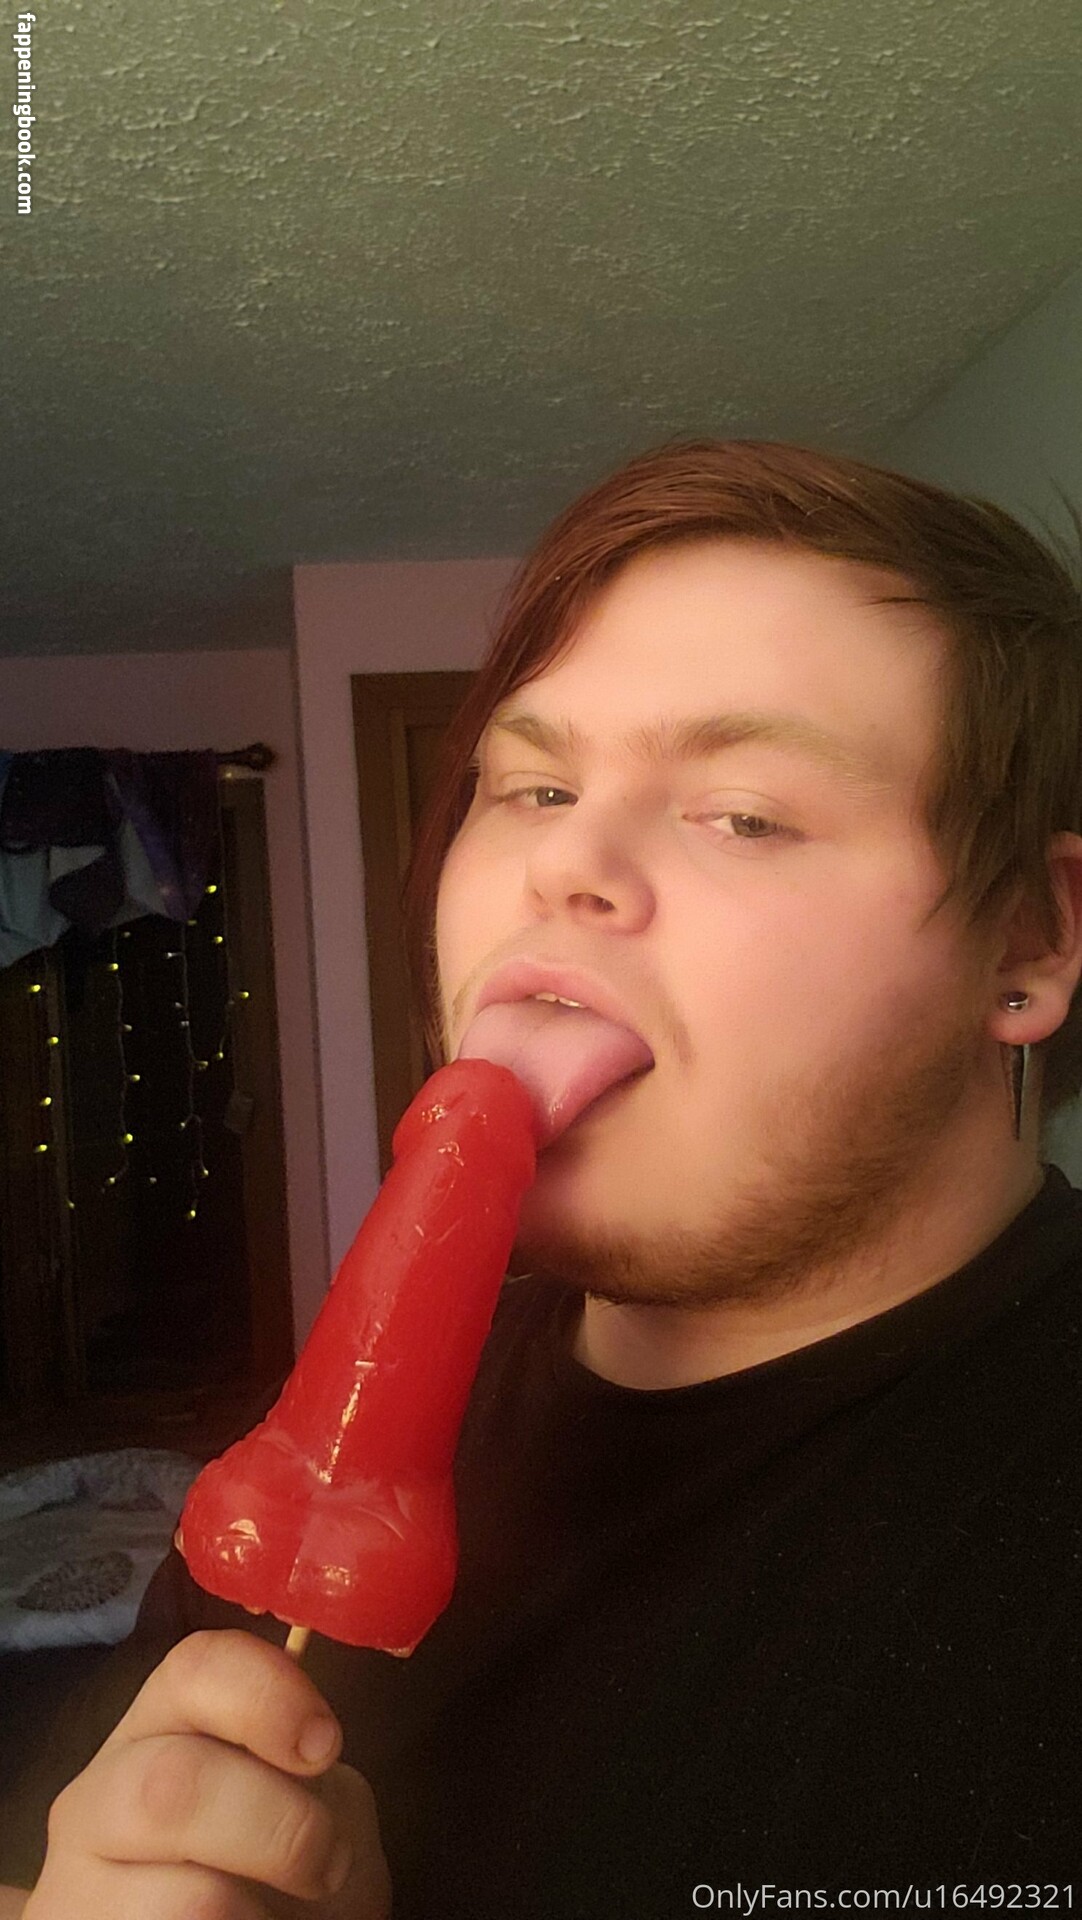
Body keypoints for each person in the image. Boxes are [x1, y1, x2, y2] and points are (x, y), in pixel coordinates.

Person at [4, 438, 1082, 1917]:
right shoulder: (372, 1411)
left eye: (744, 813)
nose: (564, 865)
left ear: (1028, 936)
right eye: (533, 786)